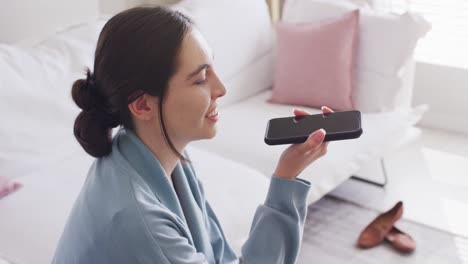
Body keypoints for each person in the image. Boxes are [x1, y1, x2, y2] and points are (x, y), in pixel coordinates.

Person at [52, 6, 333, 264]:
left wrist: (288, 173)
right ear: (142, 105)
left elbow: (219, 256)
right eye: (200, 79)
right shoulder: (139, 221)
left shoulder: (161, 155)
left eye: (212, 69)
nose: (221, 88)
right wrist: (285, 183)